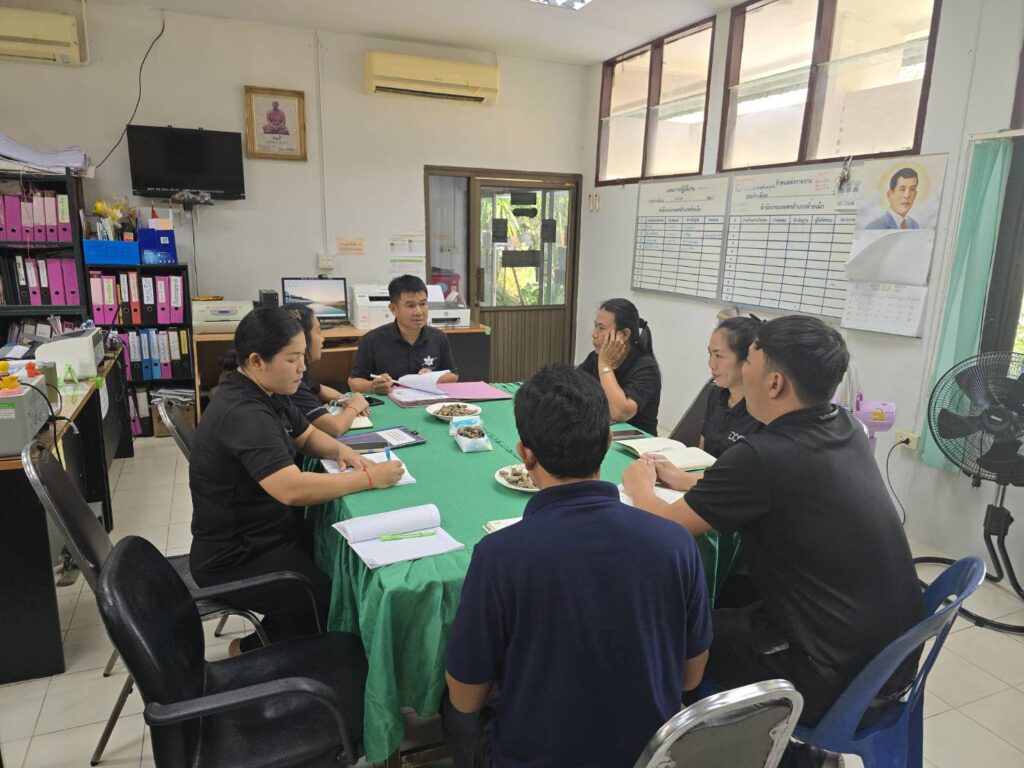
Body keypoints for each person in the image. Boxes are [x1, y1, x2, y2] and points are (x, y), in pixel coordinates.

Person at [621, 316, 924, 744]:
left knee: (669, 632)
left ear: (775, 382)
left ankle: (679, 740)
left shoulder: (763, 456)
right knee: (723, 604)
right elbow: (772, 489)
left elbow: (669, 529)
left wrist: (639, 485)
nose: (743, 369)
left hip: (830, 677)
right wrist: (687, 480)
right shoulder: (844, 426)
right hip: (888, 659)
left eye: (749, 360)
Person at [443, 364, 711, 768]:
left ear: (525, 455)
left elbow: (465, 698)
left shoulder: (498, 556)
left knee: (451, 710)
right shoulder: (676, 543)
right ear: (608, 441)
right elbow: (691, 678)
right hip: (648, 756)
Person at [189, 307, 405, 656]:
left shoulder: (269, 391)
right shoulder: (244, 412)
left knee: (341, 555)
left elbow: (306, 437)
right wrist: (368, 478)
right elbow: (292, 489)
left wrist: (342, 452)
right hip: (238, 556)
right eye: (292, 359)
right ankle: (248, 652)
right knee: (330, 599)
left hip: (268, 532)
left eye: (303, 356)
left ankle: (274, 639)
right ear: (257, 361)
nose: (303, 367)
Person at [348, 274, 459, 394]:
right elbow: (354, 382)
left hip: (427, 400)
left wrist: (431, 378)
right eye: (411, 306)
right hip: (389, 401)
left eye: (423, 304)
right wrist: (372, 387)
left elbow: (453, 375)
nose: (419, 312)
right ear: (393, 309)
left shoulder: (438, 337)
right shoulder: (372, 340)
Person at [577, 298, 660, 434]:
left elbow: (619, 413)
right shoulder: (594, 358)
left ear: (624, 334)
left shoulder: (646, 368)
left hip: (638, 443)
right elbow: (572, 387)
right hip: (602, 435)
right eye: (595, 326)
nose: (594, 334)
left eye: (601, 328)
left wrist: (605, 365)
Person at [286, 304, 371, 436]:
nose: (323, 339)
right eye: (318, 332)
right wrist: (355, 407)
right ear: (302, 338)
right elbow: (334, 428)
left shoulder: (300, 372)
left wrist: (345, 400)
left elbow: (319, 389)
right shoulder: (291, 382)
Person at [701, 316, 763, 458]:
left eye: (718, 356)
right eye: (710, 353)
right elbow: (702, 450)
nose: (711, 364)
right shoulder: (715, 393)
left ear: (747, 359)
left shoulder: (762, 412)